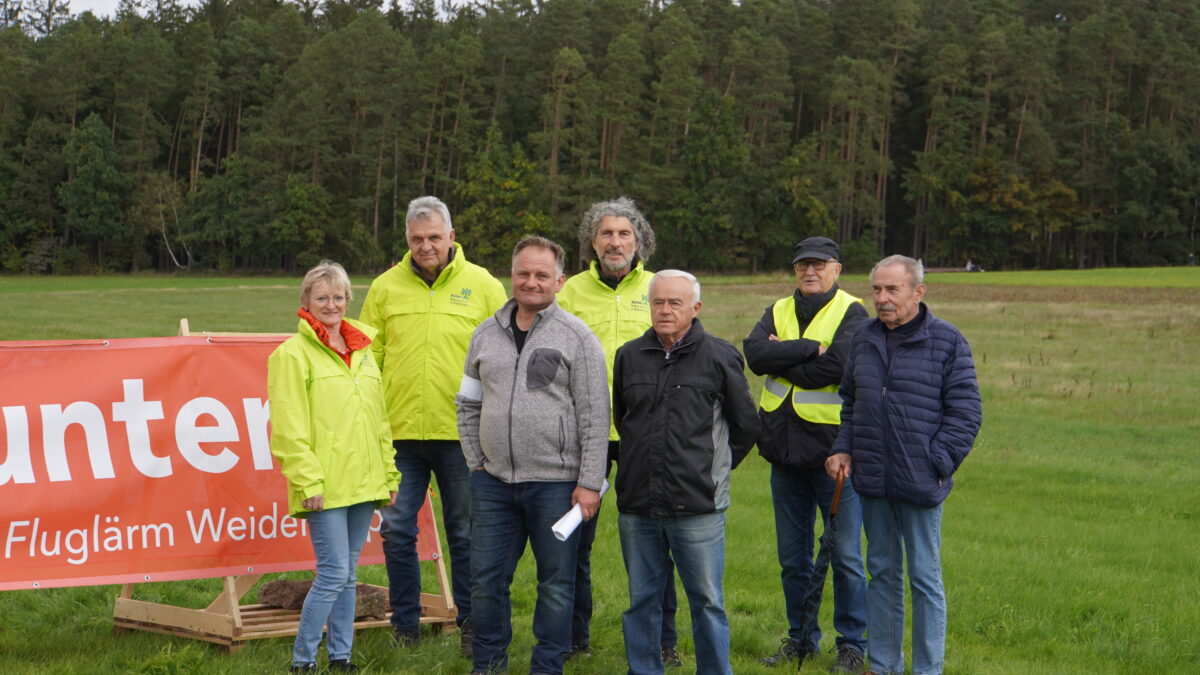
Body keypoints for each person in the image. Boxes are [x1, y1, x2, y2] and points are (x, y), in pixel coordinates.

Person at [456, 235, 610, 675]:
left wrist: (588, 482)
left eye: (542, 275)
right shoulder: (484, 334)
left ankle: (547, 666)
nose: (531, 282)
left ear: (559, 281)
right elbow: (468, 401)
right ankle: (487, 665)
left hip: (557, 486)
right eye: (523, 273)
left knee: (556, 585)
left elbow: (596, 417)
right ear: (512, 276)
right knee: (486, 581)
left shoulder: (578, 338)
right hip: (493, 483)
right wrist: (475, 460)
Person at [359, 196, 506, 651]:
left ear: (452, 237)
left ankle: (471, 626)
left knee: (465, 532)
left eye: (435, 238)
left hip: (463, 434)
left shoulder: (483, 285)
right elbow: (367, 358)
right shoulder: (384, 288)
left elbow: (502, 359)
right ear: (407, 239)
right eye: (418, 238)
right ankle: (405, 625)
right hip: (399, 433)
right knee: (398, 530)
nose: (426, 246)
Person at [825, 255, 982, 675]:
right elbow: (851, 403)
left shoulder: (948, 341)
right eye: (877, 289)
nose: (882, 298)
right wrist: (844, 448)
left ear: (918, 292)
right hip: (873, 481)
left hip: (921, 482)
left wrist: (937, 462)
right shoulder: (863, 339)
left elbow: (966, 413)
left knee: (925, 581)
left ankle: (928, 669)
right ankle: (883, 666)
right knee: (882, 575)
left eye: (892, 290)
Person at [612, 270, 761, 675]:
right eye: (658, 302)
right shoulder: (628, 356)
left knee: (706, 601)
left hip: (698, 504)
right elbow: (622, 420)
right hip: (638, 504)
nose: (664, 310)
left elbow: (746, 426)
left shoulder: (719, 355)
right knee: (642, 599)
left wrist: (709, 469)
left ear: (695, 308)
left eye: (675, 303)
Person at [557, 197, 681, 666]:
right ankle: (573, 637)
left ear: (640, 241)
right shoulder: (570, 294)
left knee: (654, 542)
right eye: (606, 233)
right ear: (592, 241)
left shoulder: (658, 288)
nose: (615, 242)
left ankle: (663, 640)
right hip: (582, 434)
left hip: (643, 435)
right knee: (573, 540)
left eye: (624, 234)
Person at [742, 236, 868, 672]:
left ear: (837, 269)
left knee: (846, 556)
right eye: (802, 266)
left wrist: (783, 356)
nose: (809, 272)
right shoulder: (777, 308)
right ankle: (801, 640)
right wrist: (804, 350)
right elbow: (755, 355)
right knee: (792, 558)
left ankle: (852, 646)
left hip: (835, 457)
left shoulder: (853, 311)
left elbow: (837, 367)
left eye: (819, 265)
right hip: (783, 454)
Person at [268, 261, 400, 673]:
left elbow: (378, 418)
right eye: (321, 297)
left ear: (348, 300)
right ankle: (303, 661)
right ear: (305, 302)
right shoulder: (291, 355)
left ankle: (341, 658)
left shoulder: (363, 351)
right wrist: (308, 480)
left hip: (363, 481)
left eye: (338, 296)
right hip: (324, 485)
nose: (331, 304)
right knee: (332, 574)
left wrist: (389, 472)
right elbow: (288, 427)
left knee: (347, 576)